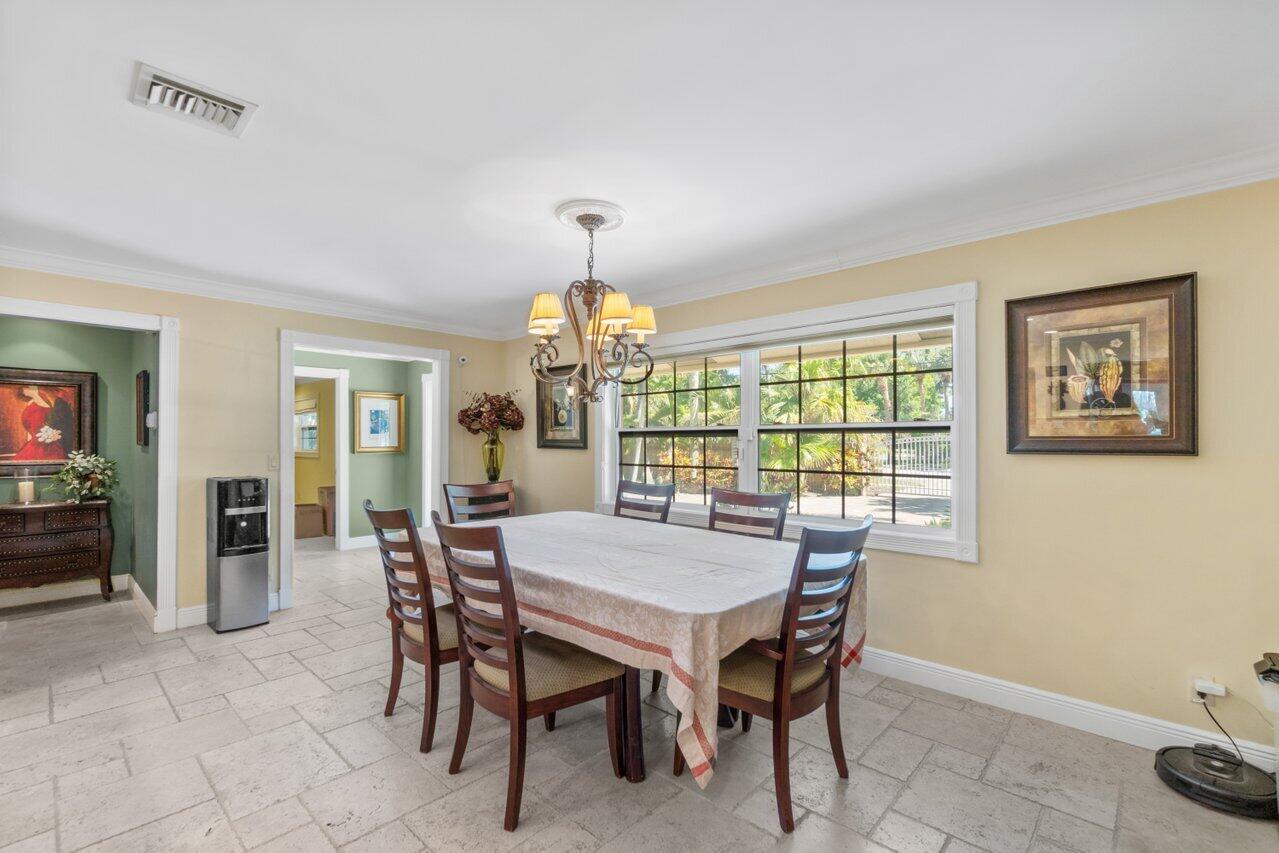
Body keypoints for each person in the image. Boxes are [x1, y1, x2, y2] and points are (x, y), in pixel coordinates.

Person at [12, 385, 73, 461]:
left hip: (52, 441)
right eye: (28, 387)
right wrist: (47, 435)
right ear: (24, 392)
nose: (34, 387)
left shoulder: (48, 401)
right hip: (42, 444)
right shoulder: (32, 407)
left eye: (33, 386)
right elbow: (34, 428)